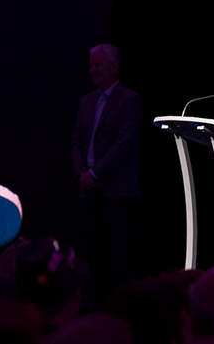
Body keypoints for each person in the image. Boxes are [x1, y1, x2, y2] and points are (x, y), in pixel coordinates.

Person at [71, 44, 142, 305]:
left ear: (114, 67)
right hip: (88, 190)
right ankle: (90, 309)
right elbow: (76, 142)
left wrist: (96, 173)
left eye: (97, 65)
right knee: (90, 254)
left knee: (120, 256)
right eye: (91, 65)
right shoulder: (86, 101)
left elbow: (124, 144)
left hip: (117, 193)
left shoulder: (130, 100)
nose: (92, 70)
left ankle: (123, 310)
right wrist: (82, 174)